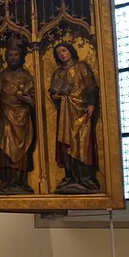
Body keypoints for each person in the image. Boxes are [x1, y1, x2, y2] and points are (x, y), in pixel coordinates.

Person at [50, 42, 99, 194]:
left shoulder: (81, 67)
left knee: (82, 144)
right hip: (65, 113)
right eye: (59, 53)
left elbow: (91, 86)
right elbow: (53, 92)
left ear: (70, 51)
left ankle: (85, 178)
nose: (62, 54)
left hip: (81, 111)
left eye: (64, 51)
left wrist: (91, 103)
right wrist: (56, 96)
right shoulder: (58, 73)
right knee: (67, 145)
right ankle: (70, 177)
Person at [0, 41, 35, 194]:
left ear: (21, 57)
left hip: (21, 118)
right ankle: (5, 180)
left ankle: (18, 182)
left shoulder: (26, 76)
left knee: (21, 150)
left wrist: (25, 98)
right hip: (5, 117)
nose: (13, 58)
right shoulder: (2, 75)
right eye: (10, 55)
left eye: (16, 55)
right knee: (4, 148)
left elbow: (34, 99)